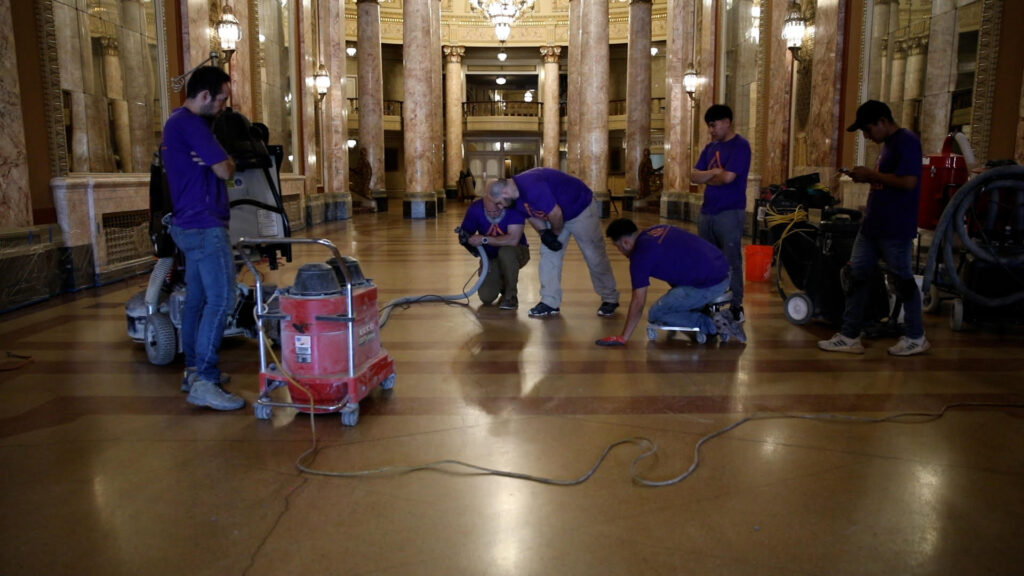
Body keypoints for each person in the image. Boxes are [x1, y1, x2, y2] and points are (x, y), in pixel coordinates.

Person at [161, 66, 245, 411]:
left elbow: (224, 165)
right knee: (222, 299)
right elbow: (226, 170)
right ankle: (205, 382)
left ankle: (194, 369)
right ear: (206, 95)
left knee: (196, 299)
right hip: (204, 225)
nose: (225, 106)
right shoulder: (192, 124)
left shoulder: (177, 122)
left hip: (189, 223)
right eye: (222, 99)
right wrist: (223, 160)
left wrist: (222, 160)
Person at [818, 100, 930, 356]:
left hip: (895, 227)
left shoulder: (907, 141)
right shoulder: (888, 145)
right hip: (872, 225)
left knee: (902, 280)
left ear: (882, 121)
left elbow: (909, 182)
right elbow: (885, 182)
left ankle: (915, 336)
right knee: (855, 276)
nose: (867, 136)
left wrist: (871, 175)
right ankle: (849, 334)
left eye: (868, 130)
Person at [492, 167, 619, 318]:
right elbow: (530, 214)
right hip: (556, 216)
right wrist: (544, 233)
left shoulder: (531, 186)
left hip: (580, 209)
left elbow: (555, 213)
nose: (500, 207)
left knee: (593, 254)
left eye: (499, 203)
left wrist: (555, 234)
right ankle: (549, 301)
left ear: (505, 192)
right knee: (548, 254)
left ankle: (610, 298)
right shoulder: (513, 199)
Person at [597, 218, 744, 346]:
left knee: (656, 313)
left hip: (709, 285)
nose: (621, 252)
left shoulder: (639, 257)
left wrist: (624, 337)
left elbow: (638, 302)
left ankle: (712, 325)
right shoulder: (657, 229)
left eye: (618, 248)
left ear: (625, 243)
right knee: (676, 294)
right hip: (723, 272)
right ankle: (707, 312)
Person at [690, 104, 751, 324]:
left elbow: (728, 178)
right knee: (707, 260)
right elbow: (693, 176)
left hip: (730, 211)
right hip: (707, 211)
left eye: (714, 125)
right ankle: (710, 301)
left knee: (731, 260)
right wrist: (714, 172)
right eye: (709, 126)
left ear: (726, 122)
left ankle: (735, 306)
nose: (711, 131)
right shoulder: (709, 148)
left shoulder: (740, 146)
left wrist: (712, 176)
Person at [458, 180, 531, 310]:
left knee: (506, 252)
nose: (494, 214)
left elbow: (513, 240)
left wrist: (485, 239)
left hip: (517, 252)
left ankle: (511, 296)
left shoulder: (513, 207)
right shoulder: (475, 209)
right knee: (486, 297)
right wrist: (480, 258)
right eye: (489, 212)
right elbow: (466, 236)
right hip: (491, 257)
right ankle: (503, 283)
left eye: (498, 210)